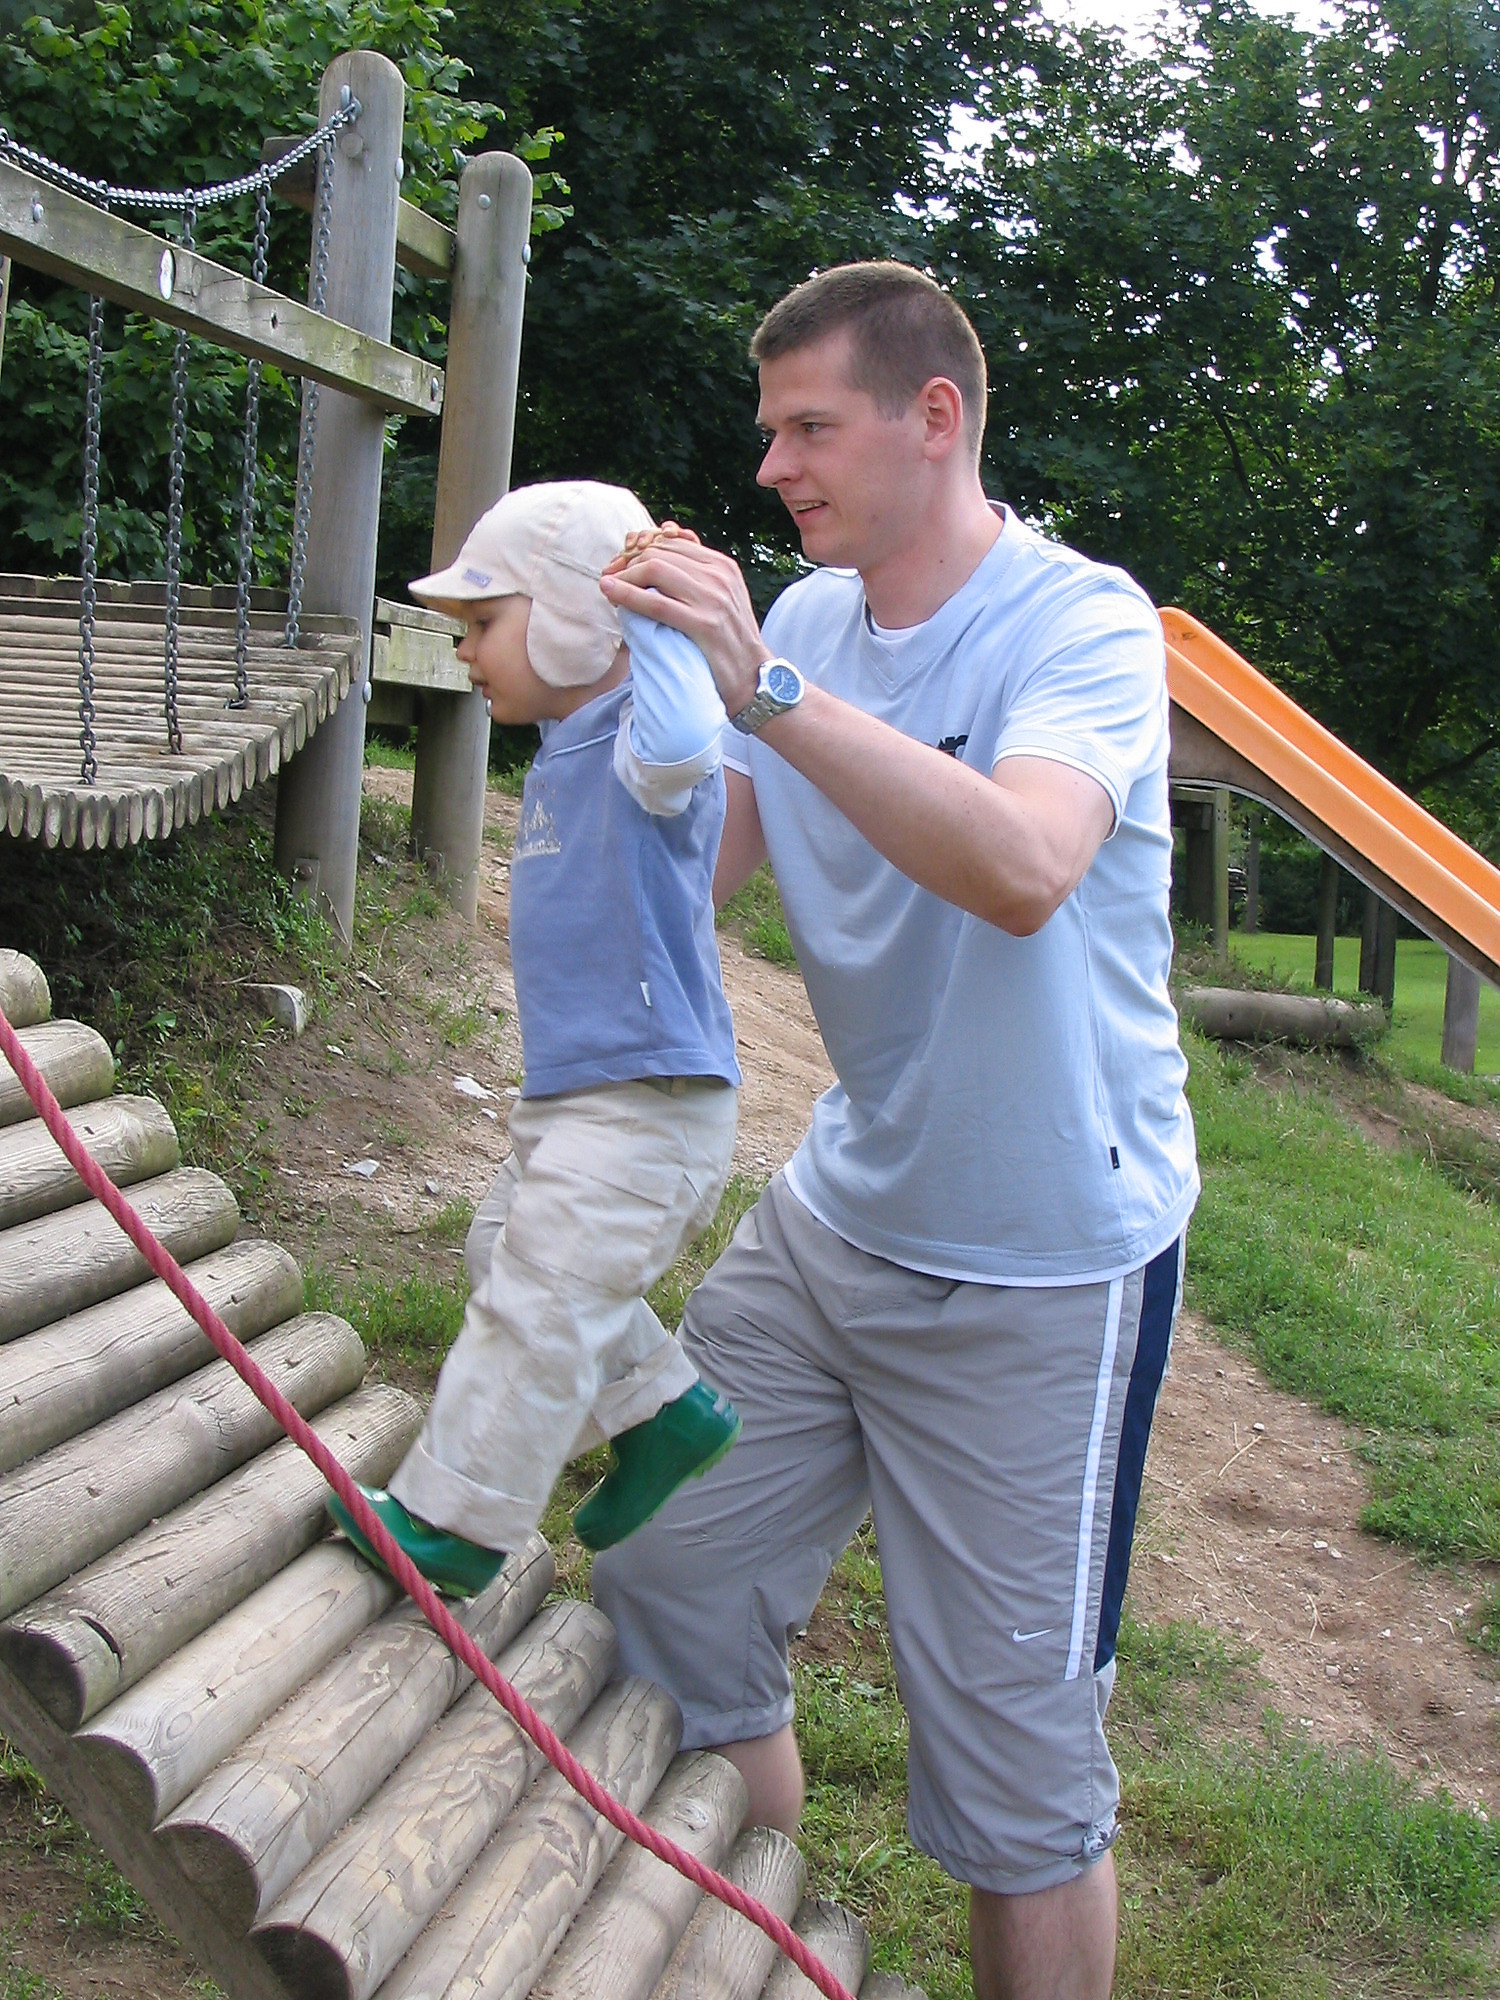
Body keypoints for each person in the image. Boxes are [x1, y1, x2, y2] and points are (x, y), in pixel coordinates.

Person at [591, 264, 1199, 2000]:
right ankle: (731, 1959)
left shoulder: (1082, 626)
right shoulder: (812, 617)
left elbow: (1023, 866)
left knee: (1014, 1775)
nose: (772, 465)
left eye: (808, 427)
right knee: (664, 1586)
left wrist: (765, 687)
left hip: (1043, 1269)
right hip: (834, 1225)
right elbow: (683, 893)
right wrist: (615, 702)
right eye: (768, 430)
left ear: (934, 419)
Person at [328, 480, 744, 1597]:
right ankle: (664, 1412)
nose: (465, 648)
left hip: (649, 1102)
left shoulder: (648, 741)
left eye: (484, 621)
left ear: (571, 618)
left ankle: (454, 1525)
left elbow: (680, 742)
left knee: (540, 1307)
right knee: (500, 1252)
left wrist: (652, 614)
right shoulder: (571, 735)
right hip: (581, 1096)